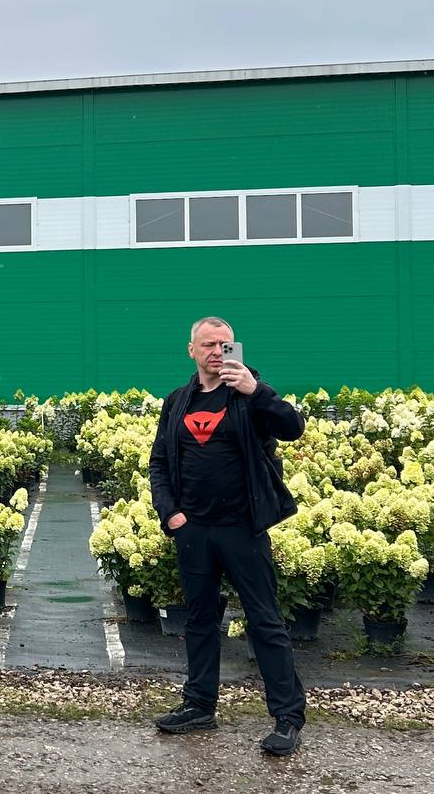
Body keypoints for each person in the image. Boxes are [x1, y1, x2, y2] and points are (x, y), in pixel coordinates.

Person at [148, 316, 307, 756]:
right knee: (199, 620)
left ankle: (288, 718)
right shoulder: (177, 400)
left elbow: (293, 428)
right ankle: (199, 705)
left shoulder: (249, 394)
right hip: (193, 530)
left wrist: (256, 391)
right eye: (208, 345)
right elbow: (160, 461)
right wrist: (171, 514)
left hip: (242, 529)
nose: (217, 352)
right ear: (192, 350)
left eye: (224, 344)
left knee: (265, 621)